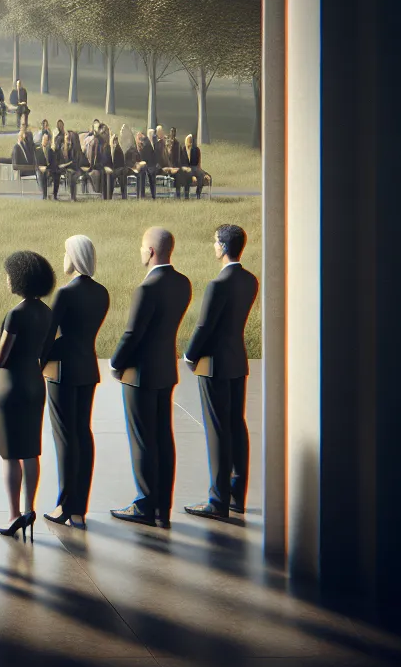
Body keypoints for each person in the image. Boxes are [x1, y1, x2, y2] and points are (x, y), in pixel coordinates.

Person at [109, 228, 193, 526]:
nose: (140, 251)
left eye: (142, 247)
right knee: (163, 439)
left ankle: (145, 503)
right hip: (165, 369)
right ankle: (162, 507)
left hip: (140, 374)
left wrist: (115, 363)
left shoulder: (146, 288)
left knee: (142, 440)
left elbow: (132, 334)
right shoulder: (183, 283)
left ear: (151, 251)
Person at [181, 224, 257, 519]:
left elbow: (204, 326)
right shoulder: (250, 280)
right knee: (237, 426)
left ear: (224, 247)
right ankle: (236, 495)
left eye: (215, 242)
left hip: (213, 365)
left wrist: (189, 356)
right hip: (237, 360)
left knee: (217, 430)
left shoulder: (218, 284)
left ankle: (217, 500)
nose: (214, 246)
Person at [41, 236, 108, 527]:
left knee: (65, 437)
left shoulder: (65, 293)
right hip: (88, 368)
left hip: (62, 370)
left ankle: (65, 505)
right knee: (83, 434)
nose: (63, 257)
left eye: (65, 252)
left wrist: (38, 364)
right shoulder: (102, 292)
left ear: (75, 256)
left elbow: (49, 335)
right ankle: (79, 506)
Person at [0, 251, 55, 539]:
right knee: (31, 450)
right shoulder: (46, 312)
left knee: (10, 454)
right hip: (35, 383)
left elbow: (1, 358)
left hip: (12, 386)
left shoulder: (15, 314)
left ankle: (14, 514)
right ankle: (30, 509)